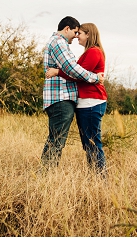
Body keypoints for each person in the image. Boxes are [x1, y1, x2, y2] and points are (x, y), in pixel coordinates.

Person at [46, 22, 108, 175]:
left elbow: (77, 74)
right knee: (88, 144)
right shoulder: (88, 52)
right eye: (76, 32)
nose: (77, 36)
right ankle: (96, 176)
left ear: (88, 34)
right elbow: (76, 71)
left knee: (92, 143)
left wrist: (57, 72)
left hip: (91, 101)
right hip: (85, 102)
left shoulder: (94, 52)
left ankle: (101, 178)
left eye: (79, 33)